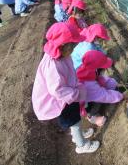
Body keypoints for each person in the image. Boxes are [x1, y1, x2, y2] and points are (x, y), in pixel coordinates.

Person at [32, 22, 100, 154]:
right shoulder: (53, 65)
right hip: (60, 102)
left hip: (66, 96)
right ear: (62, 46)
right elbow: (57, 90)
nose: (74, 48)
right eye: (72, 45)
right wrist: (76, 94)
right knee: (73, 121)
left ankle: (78, 133)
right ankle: (81, 145)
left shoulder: (60, 55)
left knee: (75, 120)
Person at [76, 50, 124, 126]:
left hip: (91, 94)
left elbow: (102, 79)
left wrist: (114, 84)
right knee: (96, 103)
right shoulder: (88, 85)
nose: (105, 69)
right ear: (97, 69)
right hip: (84, 105)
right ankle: (92, 116)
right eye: (104, 68)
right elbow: (105, 96)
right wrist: (121, 96)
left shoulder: (87, 70)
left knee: (105, 84)